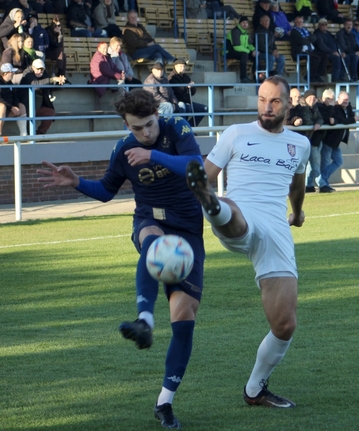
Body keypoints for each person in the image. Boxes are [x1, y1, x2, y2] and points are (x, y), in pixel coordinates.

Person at [37, 89, 205, 430]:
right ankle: (144, 320)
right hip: (149, 221)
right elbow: (105, 191)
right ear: (126, 125)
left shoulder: (178, 129)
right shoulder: (123, 148)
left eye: (149, 125)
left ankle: (164, 403)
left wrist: (152, 155)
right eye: (137, 128)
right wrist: (75, 182)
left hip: (188, 231)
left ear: (158, 115)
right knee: (152, 242)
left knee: (184, 318)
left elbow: (195, 167)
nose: (145, 132)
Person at [184, 76, 309, 408]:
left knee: (285, 324)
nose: (267, 108)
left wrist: (297, 213)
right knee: (234, 215)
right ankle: (212, 204)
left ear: (288, 103)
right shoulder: (236, 133)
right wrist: (197, 197)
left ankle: (255, 389)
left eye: (275, 102)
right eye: (262, 100)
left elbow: (298, 185)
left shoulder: (300, 144)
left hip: (276, 228)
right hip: (239, 212)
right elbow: (205, 174)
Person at [319, 90, 358, 193]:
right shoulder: (335, 108)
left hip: (336, 142)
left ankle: (322, 180)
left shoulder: (348, 107)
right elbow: (340, 120)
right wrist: (353, 119)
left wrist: (352, 118)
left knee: (339, 161)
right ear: (338, 100)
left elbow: (348, 118)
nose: (345, 101)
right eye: (343, 99)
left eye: (347, 99)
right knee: (325, 163)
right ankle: (323, 184)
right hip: (329, 140)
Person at [18, 58, 64, 134]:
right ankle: (30, 135)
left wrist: (58, 81)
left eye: (42, 69)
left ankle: (41, 133)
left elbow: (48, 84)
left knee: (50, 112)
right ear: (33, 68)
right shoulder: (27, 73)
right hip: (26, 106)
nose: (40, 71)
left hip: (38, 105)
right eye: (38, 69)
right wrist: (52, 79)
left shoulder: (44, 74)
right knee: (30, 113)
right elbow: (35, 84)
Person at [167, 58, 208, 127]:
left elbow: (193, 92)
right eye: (180, 66)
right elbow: (177, 91)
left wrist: (191, 87)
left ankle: (189, 127)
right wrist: (186, 87)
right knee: (184, 107)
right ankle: (183, 128)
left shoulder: (186, 77)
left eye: (184, 66)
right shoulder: (172, 77)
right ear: (175, 66)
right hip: (177, 102)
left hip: (188, 101)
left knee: (204, 108)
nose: (183, 68)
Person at [290, 15, 324, 82]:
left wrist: (307, 39)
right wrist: (308, 39)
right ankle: (309, 77)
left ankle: (317, 75)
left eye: (301, 22)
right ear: (295, 23)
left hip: (309, 51)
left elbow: (314, 38)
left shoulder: (304, 30)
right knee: (315, 58)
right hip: (299, 52)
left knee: (324, 56)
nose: (300, 23)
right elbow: (302, 41)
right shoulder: (294, 32)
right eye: (298, 22)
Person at [226, 16, 257, 83]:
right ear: (239, 23)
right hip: (229, 51)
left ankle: (256, 76)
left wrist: (254, 50)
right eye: (243, 22)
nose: (245, 24)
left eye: (246, 23)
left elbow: (249, 44)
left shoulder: (245, 32)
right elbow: (236, 47)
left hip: (240, 52)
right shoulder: (235, 31)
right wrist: (249, 51)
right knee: (244, 54)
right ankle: (243, 77)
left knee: (257, 56)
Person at [0, 62, 28, 136]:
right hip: (3, 108)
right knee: (2, 106)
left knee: (21, 106)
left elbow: (15, 95)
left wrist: (15, 106)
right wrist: (11, 107)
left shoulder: (10, 83)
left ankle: (24, 135)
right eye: (11, 72)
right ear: (5, 73)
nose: (13, 74)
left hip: (8, 108)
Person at [314, 18, 343, 82]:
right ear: (319, 25)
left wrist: (340, 51)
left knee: (345, 57)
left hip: (333, 52)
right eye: (322, 25)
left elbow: (336, 42)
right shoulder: (317, 34)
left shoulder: (328, 33)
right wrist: (332, 52)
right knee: (336, 58)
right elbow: (322, 46)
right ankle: (335, 78)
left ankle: (342, 77)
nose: (324, 26)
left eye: (325, 24)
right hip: (324, 53)